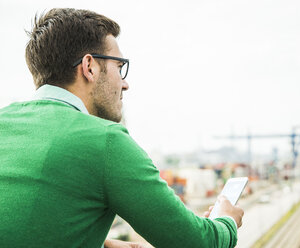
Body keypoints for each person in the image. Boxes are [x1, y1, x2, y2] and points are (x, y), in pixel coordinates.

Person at [0, 8, 244, 248]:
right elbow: (199, 243)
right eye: (119, 67)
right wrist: (227, 220)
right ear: (89, 67)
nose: (125, 84)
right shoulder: (105, 141)